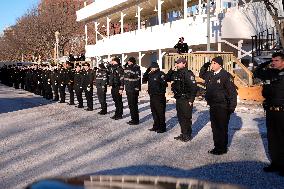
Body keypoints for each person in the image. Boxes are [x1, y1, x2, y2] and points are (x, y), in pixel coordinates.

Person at [253, 52, 284, 176]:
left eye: (276, 60)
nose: (273, 62)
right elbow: (256, 72)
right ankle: (275, 163)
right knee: (272, 139)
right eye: (272, 60)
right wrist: (266, 62)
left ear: (283, 61)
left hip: (282, 112)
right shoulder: (271, 73)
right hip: (271, 111)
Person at [199, 56, 237, 155]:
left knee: (221, 128)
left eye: (214, 63)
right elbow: (201, 74)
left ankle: (222, 148)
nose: (212, 65)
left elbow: (232, 92)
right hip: (213, 105)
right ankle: (217, 147)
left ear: (220, 65)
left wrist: (232, 107)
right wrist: (206, 64)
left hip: (222, 106)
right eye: (212, 63)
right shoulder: (210, 74)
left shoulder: (225, 75)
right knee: (215, 127)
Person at [166, 57, 198, 142]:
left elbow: (194, 88)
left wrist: (191, 100)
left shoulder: (188, 73)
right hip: (179, 98)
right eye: (177, 63)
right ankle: (184, 133)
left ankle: (187, 135)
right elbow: (167, 78)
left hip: (186, 99)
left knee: (186, 118)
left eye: (179, 63)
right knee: (180, 118)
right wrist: (171, 70)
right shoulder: (176, 73)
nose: (177, 64)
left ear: (184, 63)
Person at [143, 61, 167, 133]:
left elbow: (164, 85)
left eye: (152, 67)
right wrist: (147, 70)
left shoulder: (161, 74)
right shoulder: (150, 74)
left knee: (160, 112)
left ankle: (162, 128)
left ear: (156, 67)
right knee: (154, 112)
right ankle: (156, 126)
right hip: (152, 95)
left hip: (159, 96)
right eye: (151, 67)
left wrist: (160, 93)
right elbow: (144, 79)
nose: (151, 69)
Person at [124, 57, 141, 125]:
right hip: (128, 89)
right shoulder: (127, 68)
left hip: (133, 89)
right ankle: (133, 119)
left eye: (129, 61)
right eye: (128, 61)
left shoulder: (136, 69)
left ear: (132, 62)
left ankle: (135, 120)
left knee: (134, 105)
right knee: (131, 105)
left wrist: (137, 88)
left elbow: (138, 79)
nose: (128, 62)